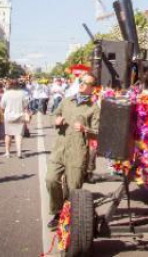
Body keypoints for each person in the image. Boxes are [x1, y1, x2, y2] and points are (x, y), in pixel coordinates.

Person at [45, 74, 100, 230]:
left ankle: (67, 216)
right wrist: (55, 121)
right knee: (51, 179)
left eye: (86, 83)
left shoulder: (93, 108)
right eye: (80, 82)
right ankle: (57, 211)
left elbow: (97, 132)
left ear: (92, 88)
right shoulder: (66, 101)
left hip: (78, 151)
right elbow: (54, 114)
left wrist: (85, 129)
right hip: (60, 148)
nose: (82, 85)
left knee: (73, 188)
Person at [1, 79, 29, 158]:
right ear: (18, 85)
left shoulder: (6, 94)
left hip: (9, 116)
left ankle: (7, 152)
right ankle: (19, 152)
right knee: (18, 134)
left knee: (8, 134)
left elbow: (2, 105)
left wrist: (3, 113)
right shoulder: (23, 94)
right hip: (19, 115)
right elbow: (26, 105)